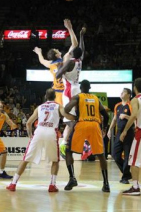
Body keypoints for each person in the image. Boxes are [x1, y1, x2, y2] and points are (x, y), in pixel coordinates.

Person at [6, 89, 75, 192]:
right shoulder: (58, 106)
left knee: (25, 159)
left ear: (45, 96)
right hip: (51, 132)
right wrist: (76, 117)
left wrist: (30, 136)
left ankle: (13, 183)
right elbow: (67, 116)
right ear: (55, 96)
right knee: (55, 160)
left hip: (39, 131)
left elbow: (28, 123)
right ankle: (52, 185)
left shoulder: (40, 107)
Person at [64, 80, 110, 192]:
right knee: (100, 155)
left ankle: (72, 178)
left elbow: (66, 108)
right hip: (95, 125)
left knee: (68, 150)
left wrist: (74, 117)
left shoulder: (78, 97)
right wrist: (104, 128)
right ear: (90, 87)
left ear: (81, 87)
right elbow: (106, 116)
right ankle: (106, 184)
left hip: (82, 124)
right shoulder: (96, 99)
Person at [56, 22, 86, 182]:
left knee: (69, 121)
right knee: (75, 119)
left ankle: (64, 142)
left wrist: (60, 68)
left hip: (68, 91)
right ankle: (72, 141)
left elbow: (57, 75)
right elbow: (81, 48)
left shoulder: (70, 62)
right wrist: (81, 35)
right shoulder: (80, 59)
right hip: (77, 88)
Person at [32, 20, 79, 105]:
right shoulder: (64, 60)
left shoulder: (50, 64)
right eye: (56, 50)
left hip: (54, 93)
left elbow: (42, 61)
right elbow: (75, 44)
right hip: (64, 92)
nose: (58, 49)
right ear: (57, 55)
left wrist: (39, 53)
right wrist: (70, 28)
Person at [107, 88, 134, 184]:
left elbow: (135, 119)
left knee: (127, 156)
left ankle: (125, 178)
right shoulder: (117, 106)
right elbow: (114, 119)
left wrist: (126, 116)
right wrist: (110, 130)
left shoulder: (131, 105)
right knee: (115, 155)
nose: (121, 93)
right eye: (121, 92)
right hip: (119, 132)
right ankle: (126, 174)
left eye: (124, 92)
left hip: (129, 133)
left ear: (129, 95)